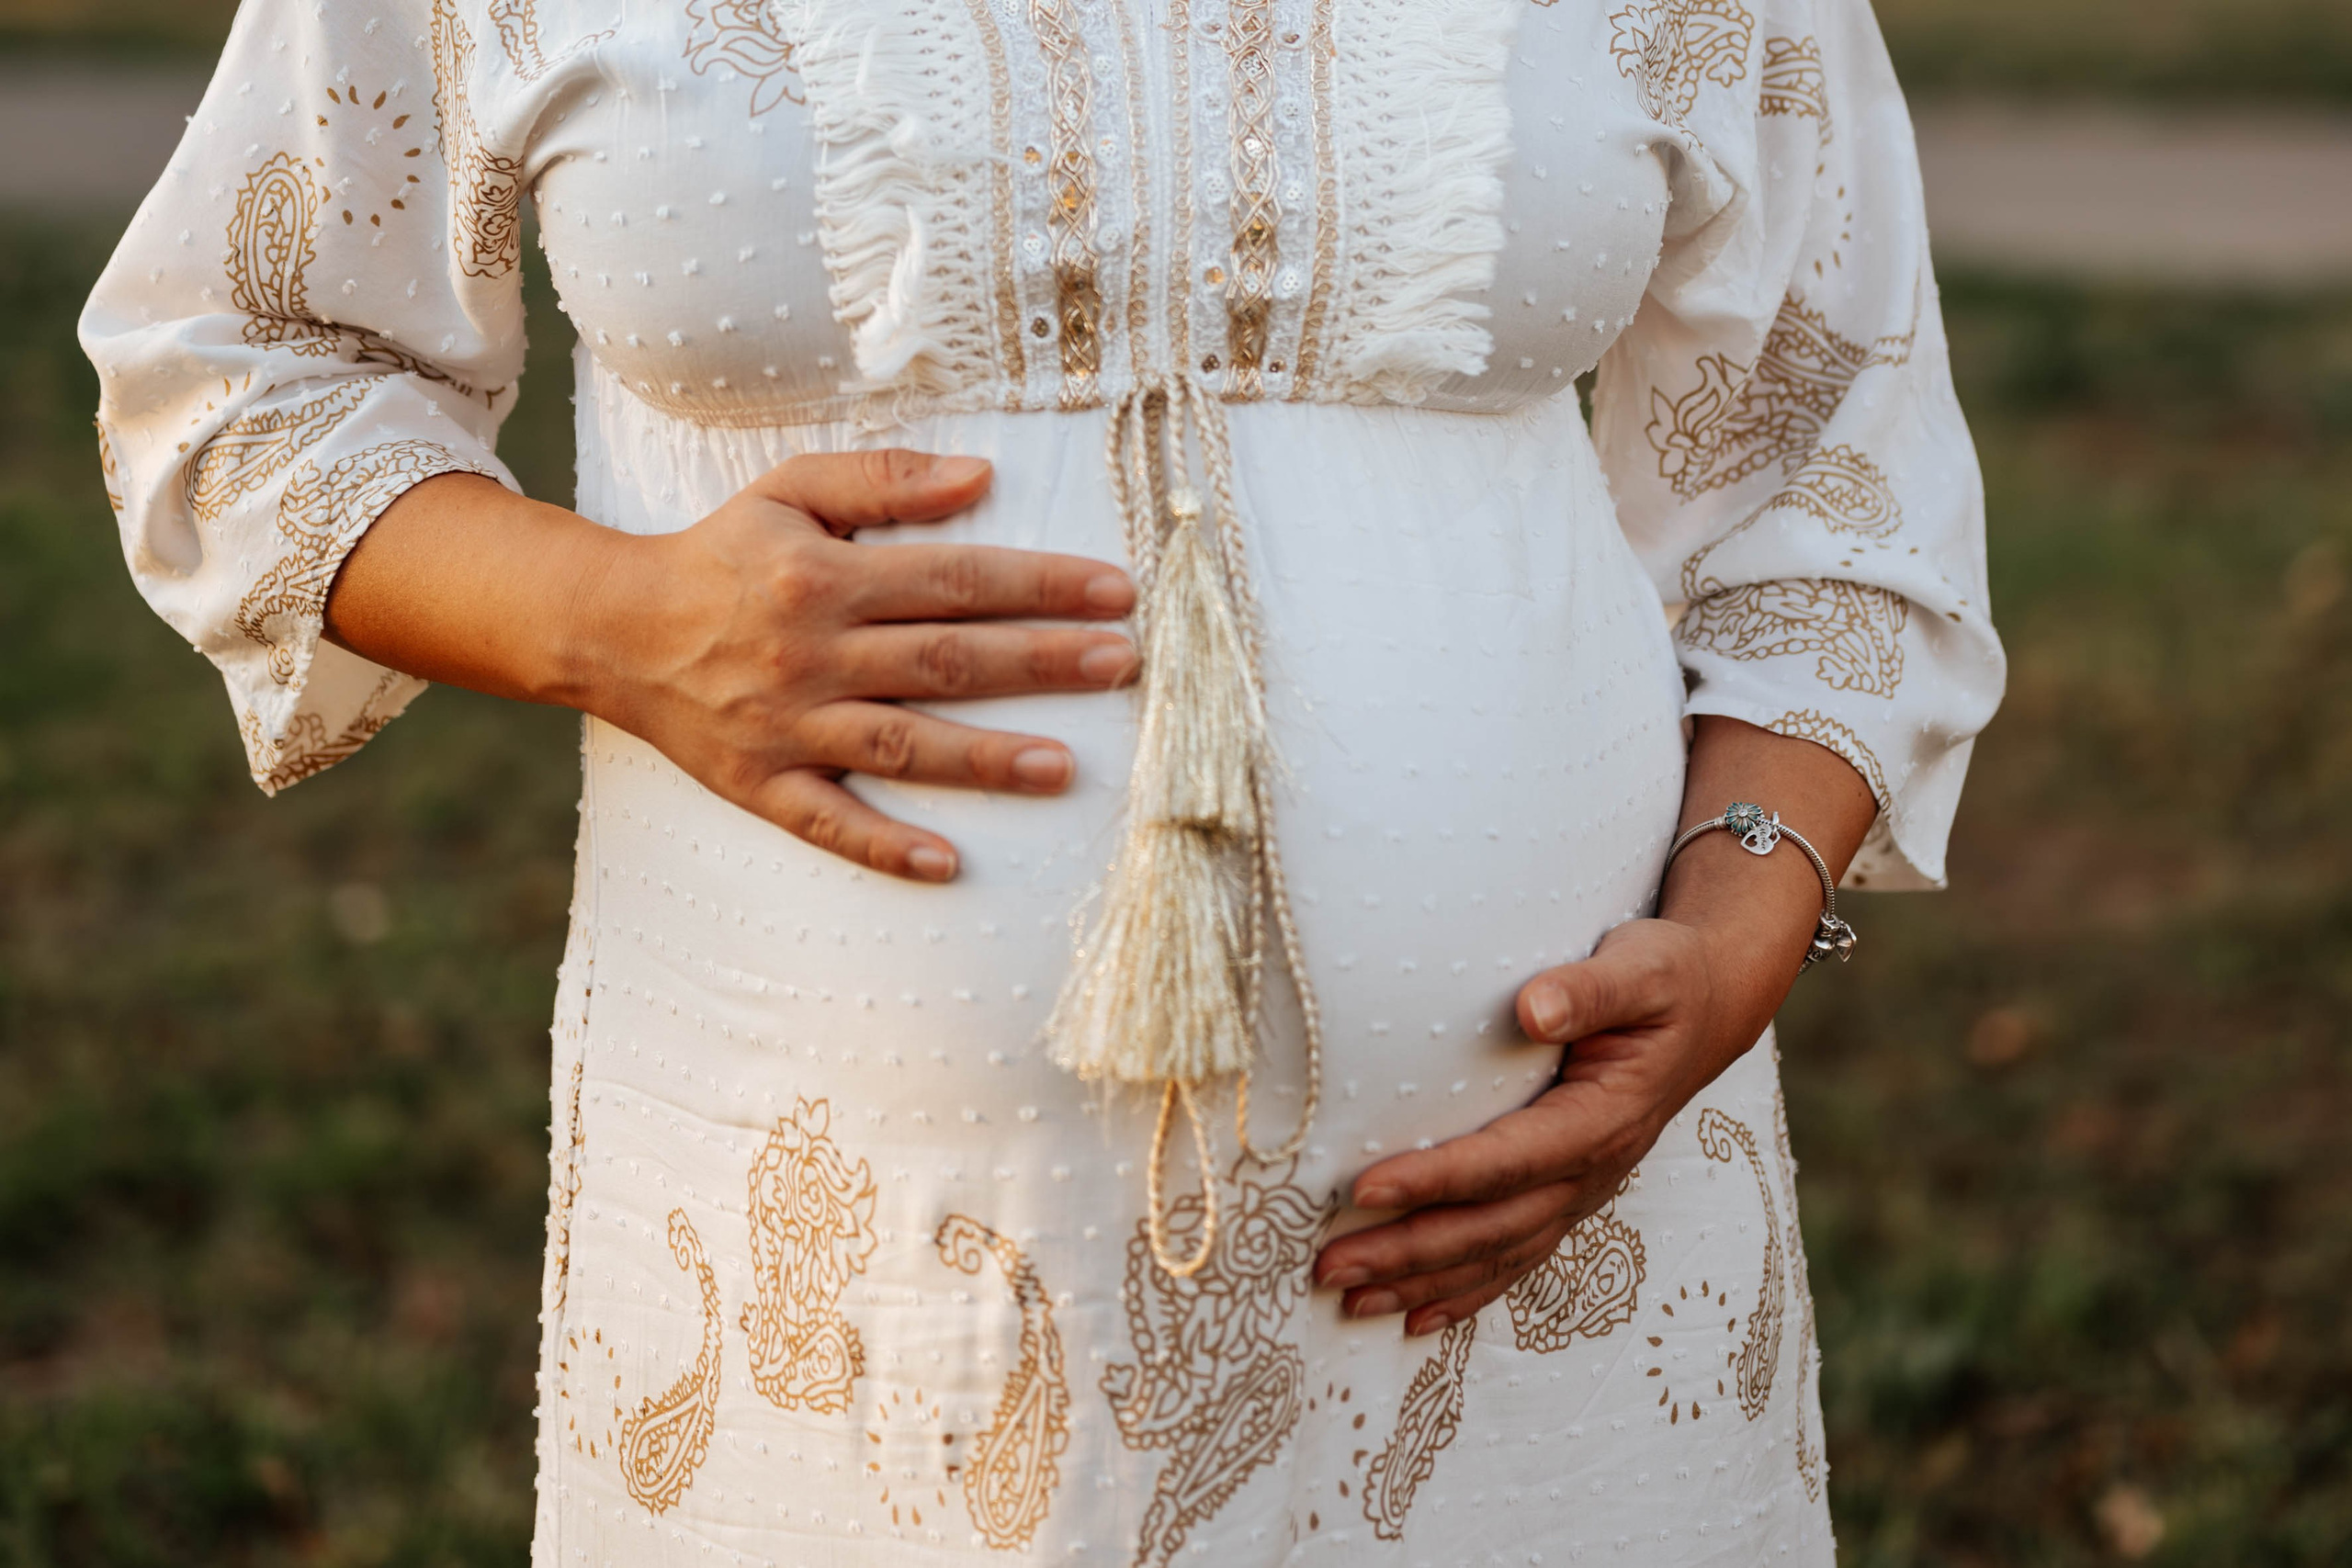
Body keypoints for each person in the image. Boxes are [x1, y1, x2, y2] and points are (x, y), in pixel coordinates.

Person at [83, 0, 2003, 1558]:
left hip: (1544, 1282)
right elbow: (244, 377)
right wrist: (615, 616)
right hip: (838, 1293)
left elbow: (1830, 463)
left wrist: (1743, 921)